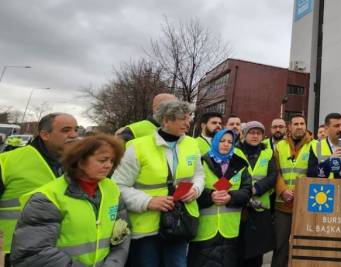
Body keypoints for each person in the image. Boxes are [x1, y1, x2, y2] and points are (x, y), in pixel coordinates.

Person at [11, 135, 130, 266]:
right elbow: (34, 252)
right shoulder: (48, 197)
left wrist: (113, 264)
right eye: (102, 160)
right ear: (80, 161)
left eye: (112, 161)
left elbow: (122, 233)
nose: (108, 165)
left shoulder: (112, 189)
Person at [113, 100, 205, 267]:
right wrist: (148, 202)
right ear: (166, 120)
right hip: (146, 227)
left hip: (180, 221)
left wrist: (195, 189)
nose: (188, 122)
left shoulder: (192, 144)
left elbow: (199, 174)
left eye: (189, 117)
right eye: (182, 118)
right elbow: (118, 186)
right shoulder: (137, 146)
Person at [0, 113, 79, 266]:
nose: (73, 135)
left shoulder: (81, 165)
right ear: (45, 134)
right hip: (14, 253)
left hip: (59, 255)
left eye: (76, 130)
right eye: (66, 130)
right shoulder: (8, 161)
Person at [188, 128, 251, 267]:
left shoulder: (240, 165)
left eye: (230, 142)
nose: (226, 144)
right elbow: (192, 188)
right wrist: (210, 195)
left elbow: (247, 191)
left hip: (230, 229)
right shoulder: (202, 161)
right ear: (215, 142)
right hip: (204, 230)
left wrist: (231, 197)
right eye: (222, 141)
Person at [271, 114, 314, 267]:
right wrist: (282, 190)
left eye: (302, 123)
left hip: (305, 204)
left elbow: (314, 173)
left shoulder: (314, 145)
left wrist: (299, 191)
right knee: (280, 245)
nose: (299, 126)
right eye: (295, 123)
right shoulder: (280, 146)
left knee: (304, 246)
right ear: (289, 127)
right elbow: (274, 171)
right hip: (282, 203)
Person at [238, 122, 276, 267]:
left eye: (258, 133)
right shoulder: (235, 151)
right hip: (239, 208)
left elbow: (272, 176)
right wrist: (244, 191)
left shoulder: (268, 152)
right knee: (238, 251)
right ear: (245, 135)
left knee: (256, 253)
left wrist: (257, 189)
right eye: (252, 132)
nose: (255, 136)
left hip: (260, 208)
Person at [307, 113, 341, 177]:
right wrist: (329, 161)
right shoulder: (316, 147)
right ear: (326, 129)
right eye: (336, 126)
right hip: (327, 186)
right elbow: (311, 174)